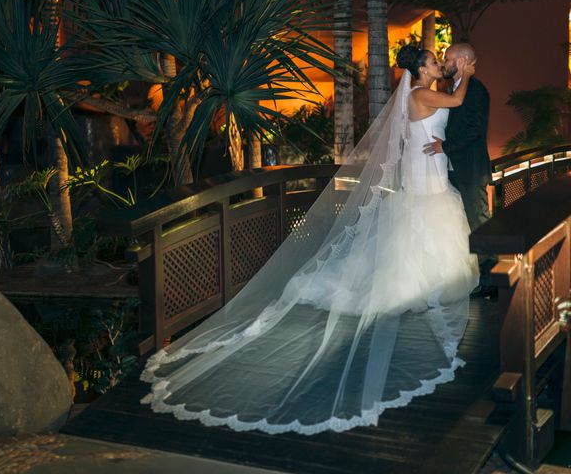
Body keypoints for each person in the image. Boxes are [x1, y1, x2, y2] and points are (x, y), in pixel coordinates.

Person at [140, 46, 479, 435]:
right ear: (420, 69)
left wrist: (450, 111)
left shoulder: (419, 92)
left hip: (431, 169)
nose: (439, 63)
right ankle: (412, 286)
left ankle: (427, 280)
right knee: (417, 231)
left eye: (442, 60)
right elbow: (455, 98)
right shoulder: (421, 94)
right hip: (425, 179)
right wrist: (466, 71)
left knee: (422, 232)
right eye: (435, 60)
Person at [423, 43, 494, 290]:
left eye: (448, 58)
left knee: (479, 222)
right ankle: (470, 276)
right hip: (451, 170)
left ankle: (490, 279)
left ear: (463, 61)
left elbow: (476, 130)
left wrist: (447, 147)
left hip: (471, 169)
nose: (444, 63)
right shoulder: (450, 89)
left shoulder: (476, 90)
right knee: (461, 225)